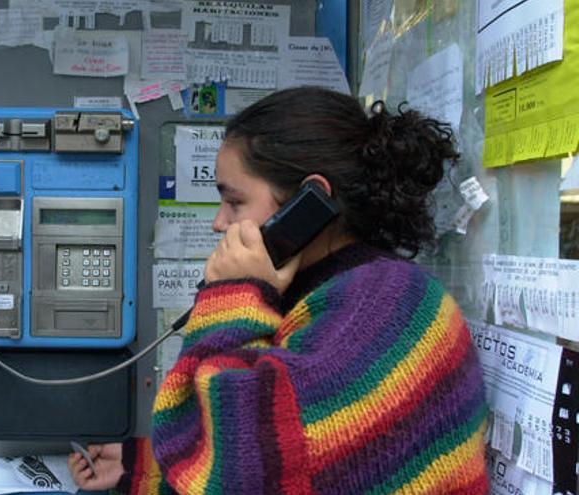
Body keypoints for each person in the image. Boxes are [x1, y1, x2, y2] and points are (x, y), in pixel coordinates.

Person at [68, 87, 489, 494]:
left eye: (234, 202)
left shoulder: (387, 308)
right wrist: (137, 468)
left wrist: (233, 296)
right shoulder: (333, 294)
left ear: (309, 201)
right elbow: (305, 458)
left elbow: (244, 474)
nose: (219, 222)